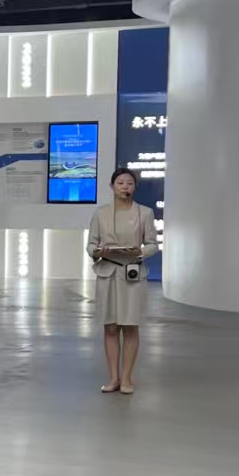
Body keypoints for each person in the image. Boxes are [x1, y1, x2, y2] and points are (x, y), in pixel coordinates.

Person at [89, 167, 159, 395]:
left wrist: (139, 252)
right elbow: (91, 244)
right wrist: (97, 252)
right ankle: (113, 378)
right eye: (120, 183)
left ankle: (127, 377)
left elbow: (153, 244)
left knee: (130, 325)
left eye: (129, 183)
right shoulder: (100, 214)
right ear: (112, 187)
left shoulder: (145, 213)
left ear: (135, 187)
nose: (125, 187)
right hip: (107, 273)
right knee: (110, 327)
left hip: (132, 273)